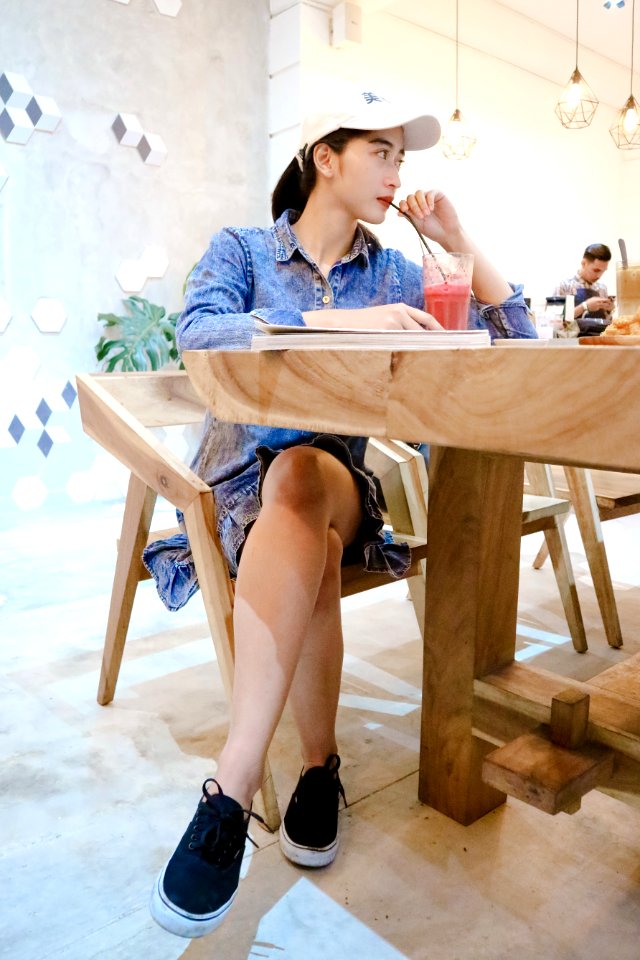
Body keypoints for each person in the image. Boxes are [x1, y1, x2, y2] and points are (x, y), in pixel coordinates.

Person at [145, 88, 537, 940]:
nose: (399, 174)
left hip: (338, 487)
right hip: (235, 491)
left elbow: (521, 341)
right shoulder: (245, 249)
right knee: (298, 520)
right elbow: (202, 332)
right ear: (327, 156)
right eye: (384, 152)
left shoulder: (401, 270)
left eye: (404, 157)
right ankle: (319, 769)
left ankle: (234, 785)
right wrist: (338, 321)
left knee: (304, 478)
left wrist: (458, 245)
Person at [553, 243, 615, 337]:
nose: (599, 276)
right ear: (584, 263)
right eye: (596, 270)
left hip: (598, 340)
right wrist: (585, 306)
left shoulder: (602, 288)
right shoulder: (564, 285)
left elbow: (607, 325)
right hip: (572, 342)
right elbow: (557, 321)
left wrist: (609, 311)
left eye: (603, 271)